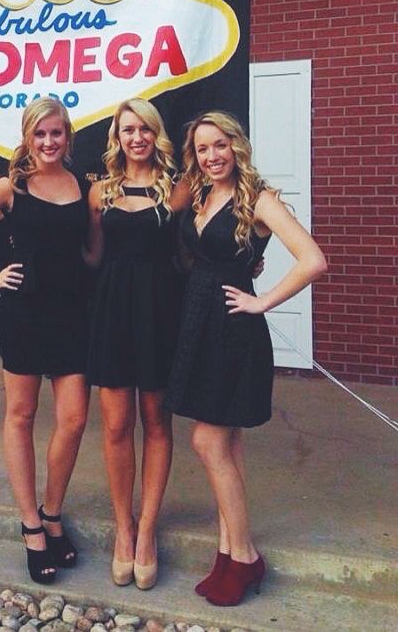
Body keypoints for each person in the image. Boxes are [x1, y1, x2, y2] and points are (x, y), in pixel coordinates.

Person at [167, 110, 327, 607]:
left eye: (220, 145)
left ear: (237, 146)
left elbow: (313, 259)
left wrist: (261, 299)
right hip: (199, 321)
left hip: (234, 328)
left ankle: (245, 556)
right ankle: (226, 551)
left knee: (207, 441)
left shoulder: (258, 199)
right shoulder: (200, 194)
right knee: (227, 444)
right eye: (201, 148)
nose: (212, 156)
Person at [0, 97, 89, 585]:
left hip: (73, 314)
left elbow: (93, 252)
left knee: (73, 419)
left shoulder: (82, 186)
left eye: (57, 133)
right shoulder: (12, 186)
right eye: (40, 134)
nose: (49, 142)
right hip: (24, 314)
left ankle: (52, 513)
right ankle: (31, 527)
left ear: (68, 136)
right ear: (28, 137)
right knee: (21, 416)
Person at [84, 98, 190, 590]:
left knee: (156, 421)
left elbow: (192, 255)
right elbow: (92, 257)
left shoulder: (179, 190)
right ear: (117, 136)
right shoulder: (99, 193)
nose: (137, 137)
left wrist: (246, 262)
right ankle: (122, 528)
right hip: (112, 315)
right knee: (116, 424)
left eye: (145, 128)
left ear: (156, 135)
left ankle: (147, 531)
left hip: (160, 316)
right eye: (128, 129)